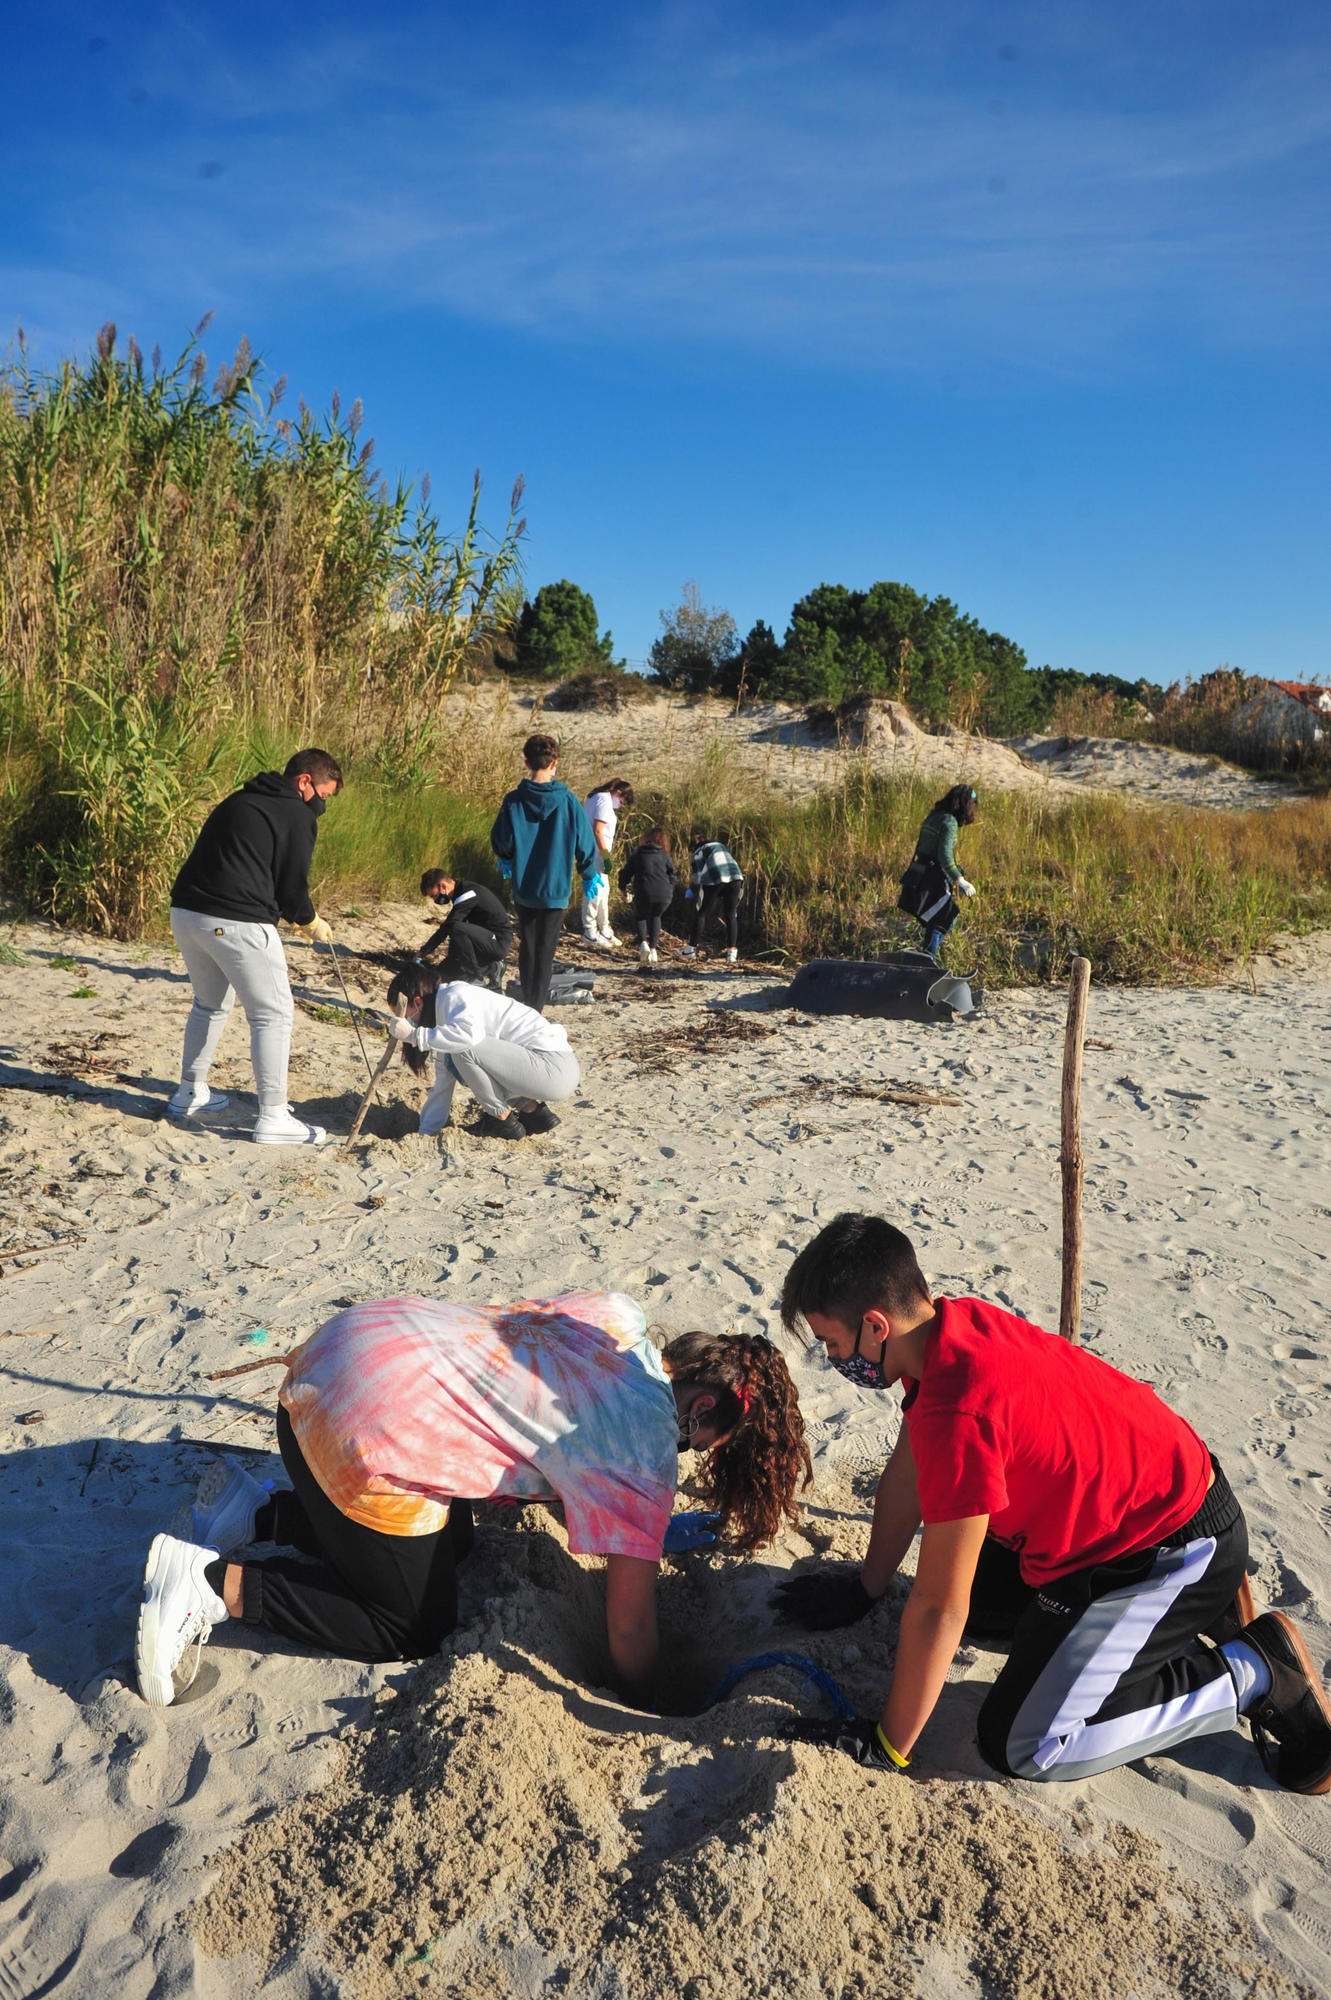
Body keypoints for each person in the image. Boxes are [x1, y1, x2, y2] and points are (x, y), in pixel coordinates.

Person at [771, 1213, 1331, 1795]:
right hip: (1128, 1506)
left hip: (1171, 1541)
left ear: (874, 1325)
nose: (834, 1358)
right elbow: (905, 1481)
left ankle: (1254, 1670)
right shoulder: (949, 1331)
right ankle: (1175, 1621)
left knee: (1024, 1743)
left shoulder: (958, 1413)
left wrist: (890, 1744)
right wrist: (866, 1589)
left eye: (832, 1343)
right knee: (988, 1609)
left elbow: (940, 1608)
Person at [134, 1294, 812, 1708]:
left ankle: (258, 1512)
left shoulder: (619, 1316)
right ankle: (210, 1587)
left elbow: (556, 1432)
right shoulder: (644, 1455)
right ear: (700, 1405)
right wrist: (644, 1702)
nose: (698, 1457)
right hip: (355, 1429)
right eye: (710, 1444)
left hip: (338, 1353)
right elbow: (629, 1627)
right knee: (411, 1627)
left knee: (455, 1544)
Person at [167, 748, 343, 1146]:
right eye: (324, 795)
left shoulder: (240, 798)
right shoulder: (296, 814)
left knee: (209, 1005)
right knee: (273, 1014)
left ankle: (189, 1094)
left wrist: (291, 912)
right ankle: (274, 1116)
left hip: (187, 914)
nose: (321, 805)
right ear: (304, 782)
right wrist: (309, 920)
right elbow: (292, 884)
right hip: (236, 921)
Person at [385, 961, 578, 1139]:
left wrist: (413, 1036)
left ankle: (501, 1120)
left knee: (463, 1049)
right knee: (457, 1059)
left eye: (406, 1016)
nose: (410, 1022)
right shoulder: (446, 1014)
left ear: (418, 1002)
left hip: (552, 1067)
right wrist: (426, 1131)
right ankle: (532, 1111)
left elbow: (468, 1038)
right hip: (550, 1069)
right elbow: (443, 1079)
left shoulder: (454, 997)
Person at [490, 734, 601, 1013]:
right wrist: (589, 874)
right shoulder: (568, 801)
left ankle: (529, 1007)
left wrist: (506, 858)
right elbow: (585, 842)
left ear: (527, 763)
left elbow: (502, 839)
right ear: (555, 763)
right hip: (555, 889)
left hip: (525, 887)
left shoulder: (514, 800)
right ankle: (535, 1011)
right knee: (545, 951)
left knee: (527, 948)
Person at [898, 784, 977, 961]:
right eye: (972, 802)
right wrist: (960, 880)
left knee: (942, 918)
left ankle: (925, 960)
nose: (973, 807)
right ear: (965, 803)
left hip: (920, 871)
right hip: (933, 875)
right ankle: (927, 961)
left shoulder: (933, 817)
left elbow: (923, 848)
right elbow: (944, 854)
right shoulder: (949, 822)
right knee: (942, 918)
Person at [417, 870, 513, 992]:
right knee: (444, 972)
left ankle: (476, 976)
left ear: (442, 886)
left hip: (498, 942)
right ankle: (492, 968)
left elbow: (448, 927)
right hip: (483, 942)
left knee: (456, 927)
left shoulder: (467, 894)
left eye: (434, 896)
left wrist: (424, 951)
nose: (435, 900)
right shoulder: (461, 894)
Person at [581, 779, 634, 947]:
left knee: (604, 892)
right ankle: (589, 931)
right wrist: (605, 855)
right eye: (623, 801)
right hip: (596, 853)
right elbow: (598, 830)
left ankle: (604, 929)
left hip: (595, 852)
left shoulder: (595, 797)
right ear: (619, 792)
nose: (621, 805)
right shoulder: (604, 799)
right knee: (594, 892)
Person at [681, 832, 743, 965]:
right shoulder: (720, 846)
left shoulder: (698, 851)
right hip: (736, 878)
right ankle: (732, 953)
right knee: (730, 914)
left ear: (693, 848)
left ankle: (690, 950)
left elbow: (697, 877)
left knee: (702, 913)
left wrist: (692, 889)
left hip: (716, 877)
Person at [617, 827, 677, 965]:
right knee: (656, 916)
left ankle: (643, 944)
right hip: (664, 894)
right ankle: (654, 950)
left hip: (644, 891)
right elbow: (672, 875)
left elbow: (626, 873)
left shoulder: (638, 854)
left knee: (641, 916)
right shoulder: (665, 856)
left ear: (646, 838)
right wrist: (669, 887)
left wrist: (623, 888)